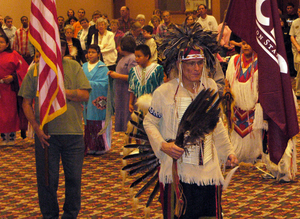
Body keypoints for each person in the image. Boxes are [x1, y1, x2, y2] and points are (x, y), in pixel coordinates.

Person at [143, 24, 237, 218]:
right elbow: (149, 123)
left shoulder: (209, 86)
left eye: (200, 63)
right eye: (191, 63)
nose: (196, 68)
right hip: (179, 170)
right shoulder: (165, 92)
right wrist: (164, 146)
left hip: (208, 170)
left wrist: (228, 152)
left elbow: (216, 123)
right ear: (180, 64)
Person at [19, 38, 91, 218]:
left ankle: (70, 214)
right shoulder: (36, 70)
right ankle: (49, 215)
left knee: (74, 179)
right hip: (46, 134)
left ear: (65, 48)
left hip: (73, 133)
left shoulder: (74, 67)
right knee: (47, 181)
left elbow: (85, 94)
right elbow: (26, 102)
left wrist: (62, 92)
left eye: (62, 46)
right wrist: (35, 127)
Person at [0, 33, 28, 145]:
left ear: (7, 44)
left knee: (10, 112)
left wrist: (13, 77)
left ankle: (11, 136)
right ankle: (3, 137)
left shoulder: (14, 54)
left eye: (1, 42)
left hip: (10, 89)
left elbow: (24, 69)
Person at [82, 44, 111, 155]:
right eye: (89, 52)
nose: (90, 54)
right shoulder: (83, 66)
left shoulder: (102, 68)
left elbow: (105, 83)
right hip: (85, 100)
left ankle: (100, 146)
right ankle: (88, 146)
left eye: (93, 52)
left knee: (97, 122)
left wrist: (88, 84)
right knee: (87, 122)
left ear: (98, 54)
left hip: (97, 100)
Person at [107, 36, 137, 132]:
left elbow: (134, 77)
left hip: (128, 92)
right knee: (121, 114)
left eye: (119, 45)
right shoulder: (123, 58)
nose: (117, 48)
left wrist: (117, 76)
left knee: (128, 117)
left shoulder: (132, 58)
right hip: (121, 91)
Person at [128, 44, 164, 113]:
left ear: (147, 56)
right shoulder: (133, 71)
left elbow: (162, 88)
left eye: (139, 56)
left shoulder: (157, 69)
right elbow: (131, 89)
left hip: (154, 105)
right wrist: (130, 103)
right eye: (135, 56)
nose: (136, 59)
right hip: (139, 106)